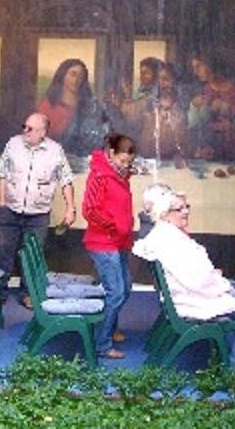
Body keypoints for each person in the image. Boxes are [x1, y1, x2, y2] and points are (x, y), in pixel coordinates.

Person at [133, 184, 235, 372]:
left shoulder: (165, 234)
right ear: (165, 214)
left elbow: (194, 275)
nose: (186, 211)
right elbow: (197, 281)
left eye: (187, 207)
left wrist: (218, 281)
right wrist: (221, 284)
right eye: (179, 209)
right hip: (191, 300)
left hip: (185, 295)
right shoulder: (172, 240)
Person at [0, 112, 75, 308]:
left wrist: (71, 208)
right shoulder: (13, 144)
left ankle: (27, 294)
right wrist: (2, 202)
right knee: (4, 252)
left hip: (38, 215)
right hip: (10, 210)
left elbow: (66, 180)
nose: (25, 131)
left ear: (42, 132)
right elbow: (1, 173)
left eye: (30, 128)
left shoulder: (55, 151)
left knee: (32, 255)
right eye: (24, 126)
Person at [82, 133, 137, 359]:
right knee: (116, 292)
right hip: (103, 242)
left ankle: (108, 328)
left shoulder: (118, 174)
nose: (125, 166)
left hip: (118, 241)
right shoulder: (99, 175)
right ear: (111, 153)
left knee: (125, 287)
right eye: (122, 161)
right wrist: (113, 226)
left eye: (129, 163)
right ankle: (102, 345)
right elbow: (89, 210)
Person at [187, 53, 235, 161]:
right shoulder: (207, 89)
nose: (195, 72)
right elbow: (198, 124)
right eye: (194, 68)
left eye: (198, 66)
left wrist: (224, 107)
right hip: (214, 145)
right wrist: (194, 106)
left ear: (210, 64)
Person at [37, 58, 108, 155]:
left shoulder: (90, 106)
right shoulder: (49, 104)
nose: (76, 80)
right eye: (73, 74)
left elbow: (99, 133)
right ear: (63, 75)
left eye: (80, 76)